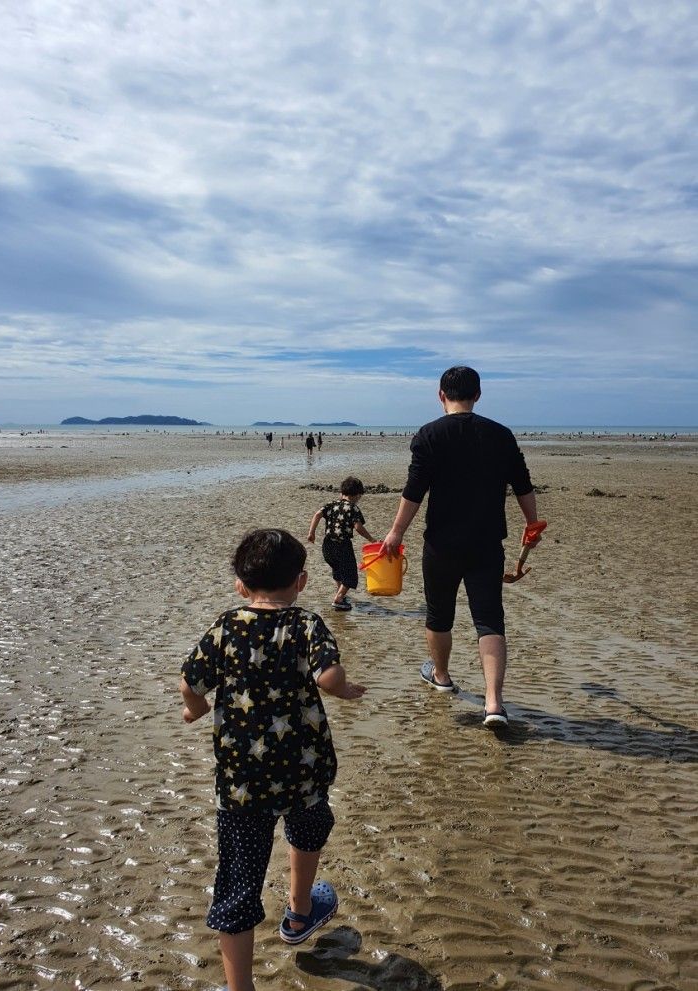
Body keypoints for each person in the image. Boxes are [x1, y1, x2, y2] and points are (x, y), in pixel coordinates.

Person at [179, 529, 366, 991]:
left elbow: (190, 681)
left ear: (241, 586)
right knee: (307, 827)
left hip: (243, 782)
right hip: (304, 771)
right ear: (301, 582)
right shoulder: (307, 625)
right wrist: (343, 688)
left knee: (239, 881)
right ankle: (300, 913)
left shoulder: (225, 626)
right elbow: (328, 676)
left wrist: (195, 709)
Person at [380, 366, 541, 727]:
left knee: (439, 615)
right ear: (478, 395)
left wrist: (395, 533)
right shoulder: (501, 435)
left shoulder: (429, 435)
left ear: (441, 395)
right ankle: (494, 703)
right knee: (489, 620)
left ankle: (441, 677)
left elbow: (414, 490)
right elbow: (523, 485)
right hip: (486, 543)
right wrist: (532, 524)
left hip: (441, 543)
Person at [307, 477, 375, 611]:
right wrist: (371, 540)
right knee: (350, 574)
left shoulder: (331, 504)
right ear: (357, 494)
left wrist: (312, 533)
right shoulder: (353, 508)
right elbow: (358, 527)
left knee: (337, 569)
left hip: (327, 545)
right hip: (342, 544)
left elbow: (317, 515)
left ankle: (340, 593)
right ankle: (338, 599)